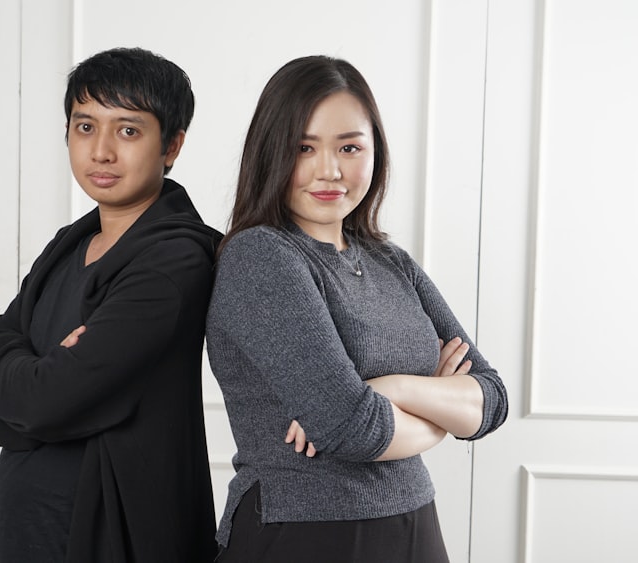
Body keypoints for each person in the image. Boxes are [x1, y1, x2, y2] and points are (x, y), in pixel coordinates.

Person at [206, 55, 508, 562]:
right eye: (304, 147)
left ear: (375, 153)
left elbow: (491, 401)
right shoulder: (260, 257)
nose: (330, 170)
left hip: (414, 525)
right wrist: (440, 410)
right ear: (271, 152)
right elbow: (351, 428)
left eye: (349, 146)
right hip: (305, 533)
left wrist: (390, 390)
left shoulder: (391, 261)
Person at [0, 47, 220, 562]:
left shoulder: (177, 259)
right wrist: (33, 379)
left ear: (172, 145)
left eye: (128, 131)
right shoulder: (70, 243)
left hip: (112, 536)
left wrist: (28, 386)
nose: (101, 151)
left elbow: (43, 400)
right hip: (27, 532)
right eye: (85, 128)